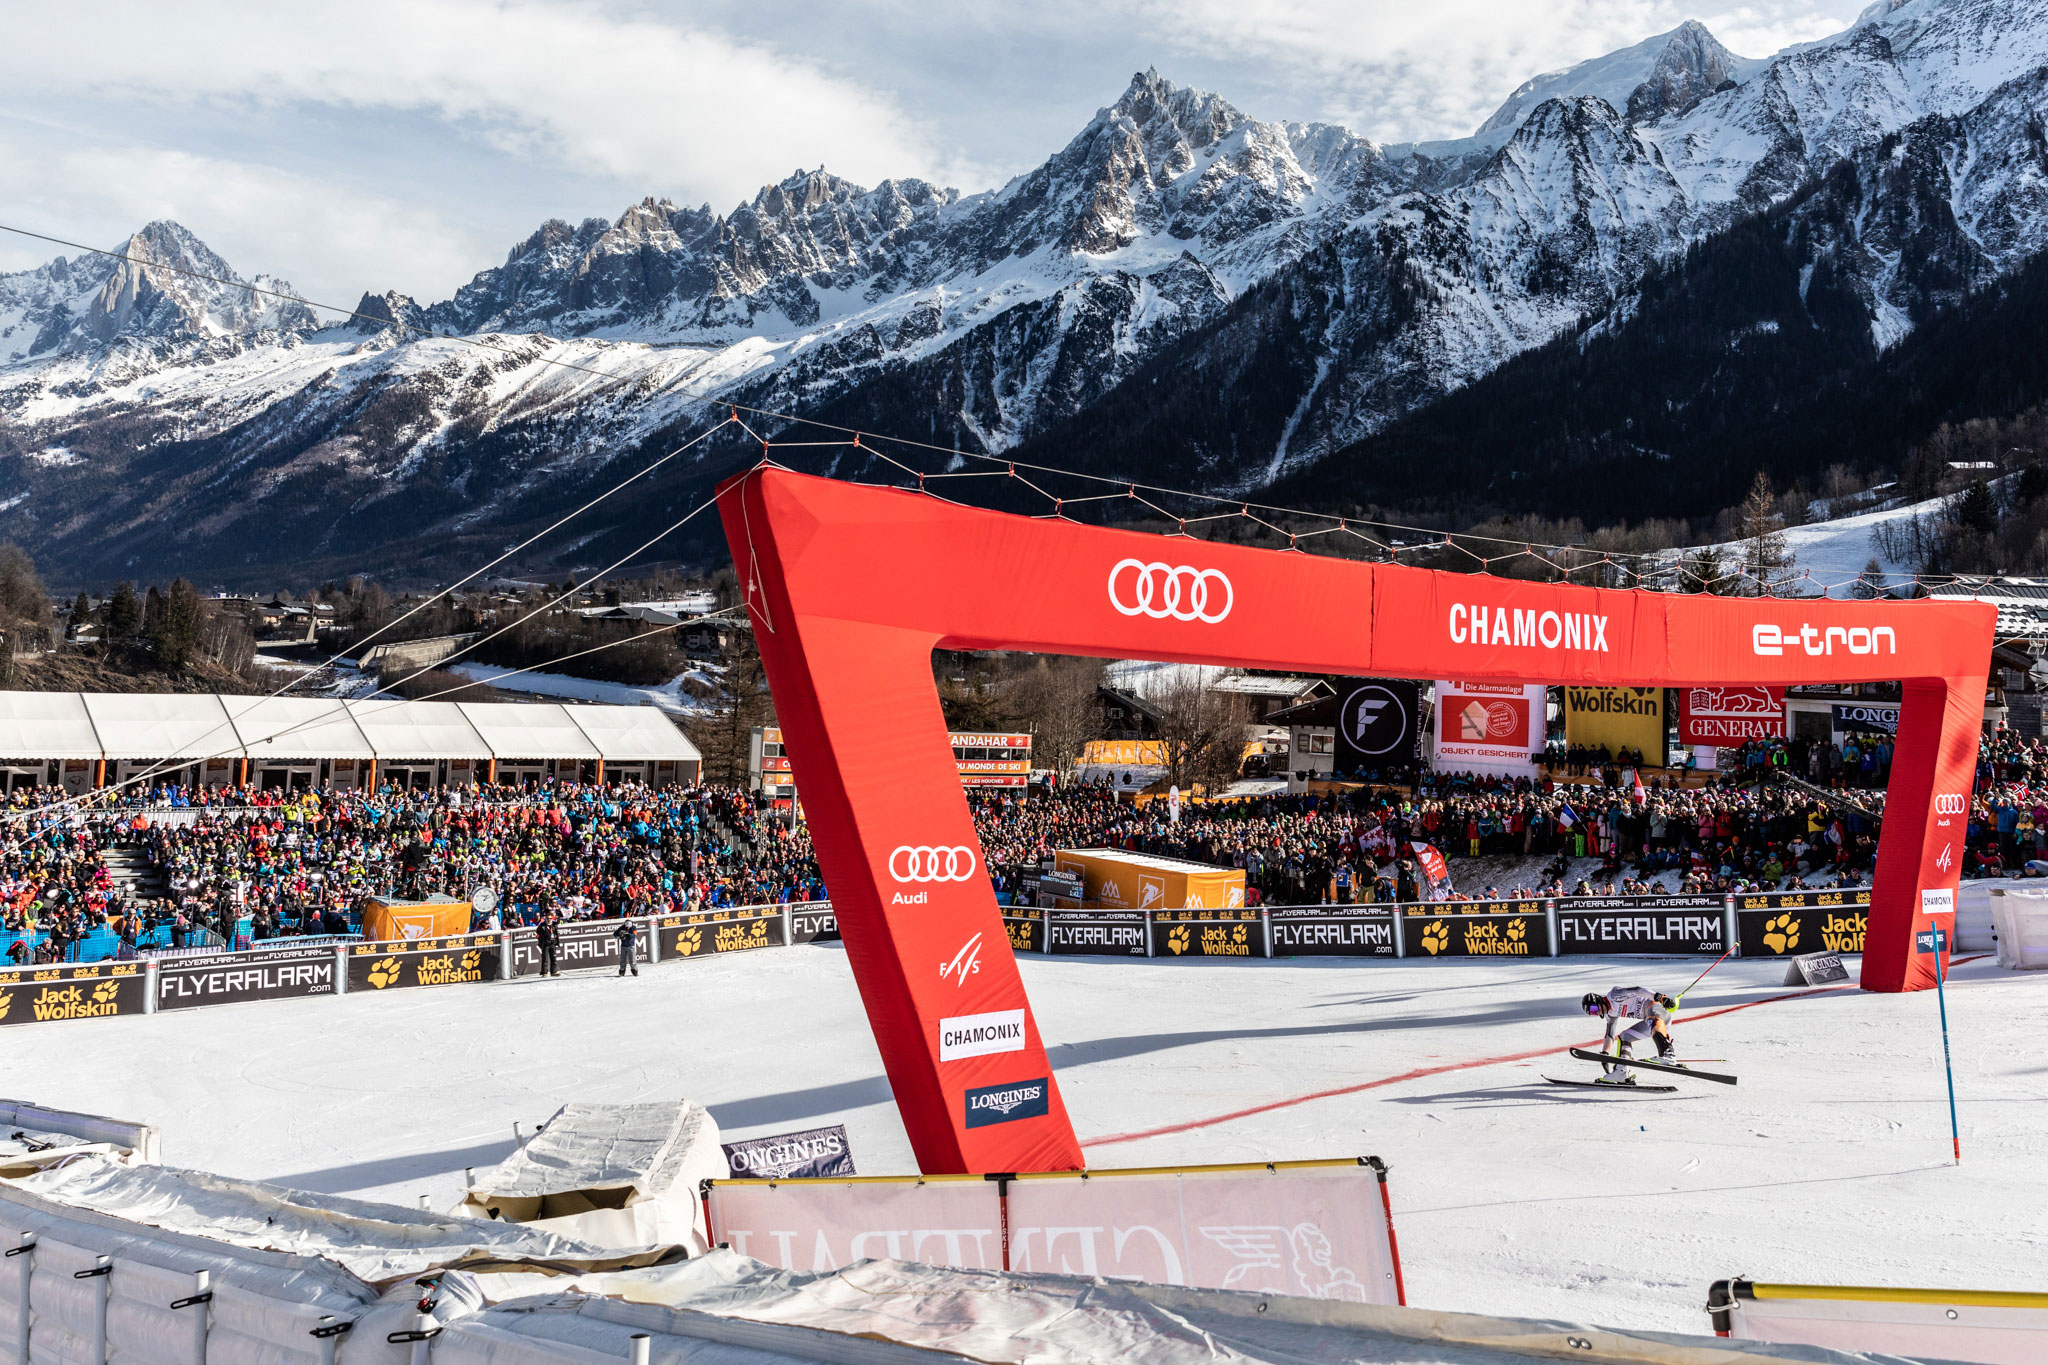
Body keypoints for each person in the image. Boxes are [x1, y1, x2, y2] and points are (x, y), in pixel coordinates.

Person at [1581, 987, 1679, 1085]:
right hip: (1650, 1022)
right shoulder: (1610, 1014)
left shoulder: (1614, 996)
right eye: (1592, 1013)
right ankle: (1621, 1072)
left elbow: (1638, 990)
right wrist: (1605, 1054)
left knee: (1651, 1017)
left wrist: (1660, 997)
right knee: (1624, 1037)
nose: (1597, 1013)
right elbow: (1610, 1034)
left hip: (1656, 1010)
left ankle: (1668, 1055)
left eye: (1594, 1009)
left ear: (1599, 1000)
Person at [535, 909, 561, 978]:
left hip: (552, 943)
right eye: (548, 918)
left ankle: (554, 971)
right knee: (545, 959)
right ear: (545, 918)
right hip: (545, 944)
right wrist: (542, 940)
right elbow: (537, 935)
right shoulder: (542, 926)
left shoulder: (554, 925)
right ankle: (544, 972)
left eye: (550, 918)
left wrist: (556, 912)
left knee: (554, 958)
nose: (549, 919)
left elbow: (559, 919)